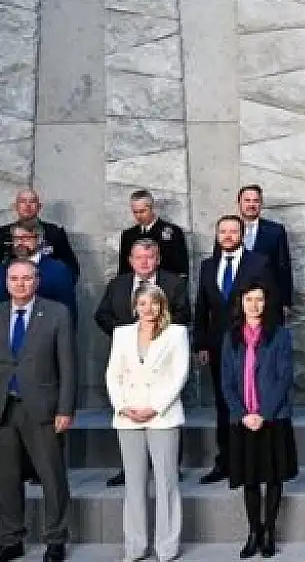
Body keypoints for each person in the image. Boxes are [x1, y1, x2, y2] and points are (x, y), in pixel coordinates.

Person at [95, 238, 191, 487]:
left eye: (150, 257)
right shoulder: (117, 285)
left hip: (162, 361)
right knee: (129, 422)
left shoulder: (174, 283)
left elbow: (183, 314)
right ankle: (129, 469)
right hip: (130, 361)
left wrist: (156, 332)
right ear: (130, 261)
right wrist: (127, 335)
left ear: (158, 259)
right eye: (139, 257)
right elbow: (102, 314)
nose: (145, 262)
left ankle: (170, 466)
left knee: (167, 411)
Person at [106, 283, 189, 562]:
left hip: (163, 415)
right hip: (128, 415)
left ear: (162, 305)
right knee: (134, 484)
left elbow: (179, 375)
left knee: (166, 483)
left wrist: (155, 407)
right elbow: (113, 374)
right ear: (135, 307)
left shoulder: (176, 333)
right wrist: (123, 406)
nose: (148, 308)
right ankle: (135, 545)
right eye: (142, 303)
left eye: (154, 303)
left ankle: (166, 547)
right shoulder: (121, 334)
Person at [0, 259, 75, 562]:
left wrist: (65, 408)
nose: (20, 284)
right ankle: (10, 538)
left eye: (27, 278)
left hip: (44, 407)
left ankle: (55, 539)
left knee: (52, 477)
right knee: (6, 478)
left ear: (37, 281)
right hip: (4, 408)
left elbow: (68, 365)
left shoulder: (57, 313)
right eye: (14, 278)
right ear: (7, 282)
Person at [193, 215, 276, 485]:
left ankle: (252, 462)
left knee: (253, 401)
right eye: (223, 232)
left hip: (251, 344)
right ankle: (225, 461)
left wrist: (268, 342)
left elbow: (271, 304)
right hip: (219, 347)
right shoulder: (208, 266)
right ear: (217, 235)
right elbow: (201, 307)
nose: (228, 236)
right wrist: (201, 343)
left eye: (233, 231)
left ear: (242, 234)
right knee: (224, 404)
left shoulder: (258, 262)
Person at [222, 283, 298, 559]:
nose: (254, 305)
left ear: (267, 303)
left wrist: (264, 413)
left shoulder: (280, 335)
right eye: (249, 299)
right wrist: (244, 414)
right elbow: (227, 382)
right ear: (241, 303)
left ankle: (269, 532)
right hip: (243, 419)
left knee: (273, 477)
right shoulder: (230, 337)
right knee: (250, 479)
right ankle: (254, 531)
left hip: (272, 417)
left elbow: (284, 377)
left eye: (259, 299)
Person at [1, 225, 77, 323]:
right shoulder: (3, 269)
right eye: (16, 238)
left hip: (46, 329)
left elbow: (68, 311)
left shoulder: (59, 270)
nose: (20, 243)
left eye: (26, 238)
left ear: (39, 240)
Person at [236, 185, 293, 313]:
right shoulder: (228, 229)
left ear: (261, 204)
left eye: (256, 201)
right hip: (235, 300)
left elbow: (283, 267)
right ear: (239, 203)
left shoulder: (276, 231)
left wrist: (285, 302)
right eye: (247, 200)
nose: (251, 204)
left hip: (268, 300)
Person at [0, 189, 78, 279]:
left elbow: (72, 268)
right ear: (15, 206)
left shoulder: (54, 232)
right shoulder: (2, 233)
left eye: (32, 201)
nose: (28, 205)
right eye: (23, 201)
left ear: (39, 206)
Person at [117, 189, 190, 277]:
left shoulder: (174, 232)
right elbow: (124, 270)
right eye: (135, 212)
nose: (139, 216)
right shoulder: (128, 235)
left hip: (165, 283)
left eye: (142, 211)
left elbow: (181, 270)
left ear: (152, 208)